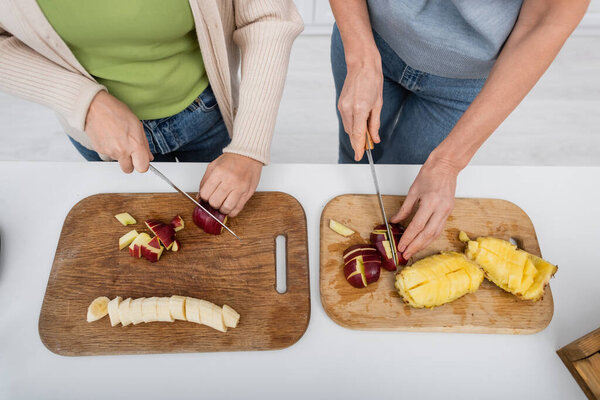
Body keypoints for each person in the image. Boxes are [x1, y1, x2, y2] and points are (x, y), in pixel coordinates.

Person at [330, 0, 588, 260]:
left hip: (466, 77)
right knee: (355, 151)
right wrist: (361, 57)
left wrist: (447, 163)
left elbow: (547, 20)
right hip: (366, 29)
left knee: (406, 184)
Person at [0, 0, 303, 217]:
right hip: (99, 135)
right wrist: (83, 102)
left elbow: (268, 17)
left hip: (207, 111)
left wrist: (248, 148)